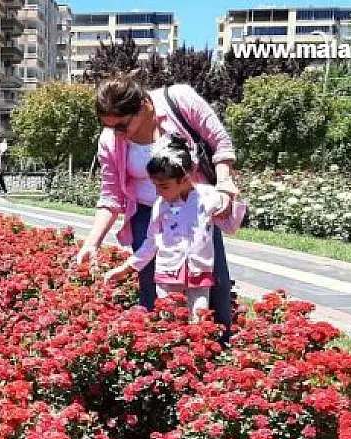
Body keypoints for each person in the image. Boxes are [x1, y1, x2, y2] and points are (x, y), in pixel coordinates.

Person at [75, 70, 242, 336]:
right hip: (147, 215)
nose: (116, 133)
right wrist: (91, 243)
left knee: (213, 283)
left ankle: (215, 351)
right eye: (108, 126)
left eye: (121, 125)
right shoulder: (110, 141)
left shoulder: (180, 100)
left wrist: (223, 184)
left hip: (196, 209)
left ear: (144, 106)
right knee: (156, 289)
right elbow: (110, 196)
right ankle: (162, 351)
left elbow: (220, 142)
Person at [104, 135, 245, 316]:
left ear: (185, 180)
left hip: (199, 273)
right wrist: (126, 268)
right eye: (155, 186)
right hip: (167, 274)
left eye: (163, 186)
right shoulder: (160, 206)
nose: (158, 192)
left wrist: (229, 199)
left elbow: (230, 227)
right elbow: (151, 243)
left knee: (200, 319)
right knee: (169, 320)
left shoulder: (208, 197)